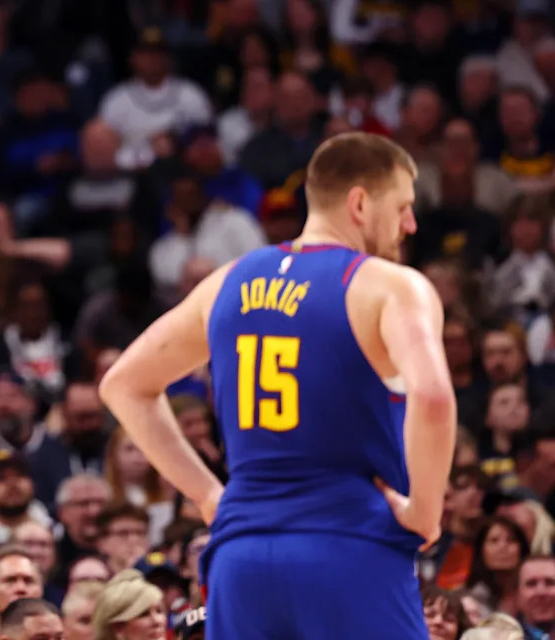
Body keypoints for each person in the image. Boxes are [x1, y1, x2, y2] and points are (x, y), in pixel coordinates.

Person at [100, 132, 457, 638]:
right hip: (346, 543)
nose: (410, 224)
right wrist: (425, 511)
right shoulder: (389, 286)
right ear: (359, 203)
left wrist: (206, 494)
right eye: (402, 206)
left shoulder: (227, 282)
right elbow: (435, 396)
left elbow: (123, 385)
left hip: (241, 555)